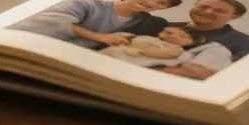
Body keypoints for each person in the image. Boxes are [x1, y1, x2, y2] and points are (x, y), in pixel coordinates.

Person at [9, 0, 181, 48]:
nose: (152, 4)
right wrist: (101, 37)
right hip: (29, 44)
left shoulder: (144, 22)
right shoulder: (86, 4)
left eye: (161, 4)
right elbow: (55, 21)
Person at [156, 0, 249, 79]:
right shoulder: (163, 26)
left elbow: (227, 75)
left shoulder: (245, 42)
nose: (207, 12)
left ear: (234, 17)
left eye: (219, 11)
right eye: (202, 7)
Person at [91, 25, 233, 77]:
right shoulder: (148, 38)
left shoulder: (182, 51)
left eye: (181, 36)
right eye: (166, 32)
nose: (170, 36)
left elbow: (200, 73)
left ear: (192, 41)